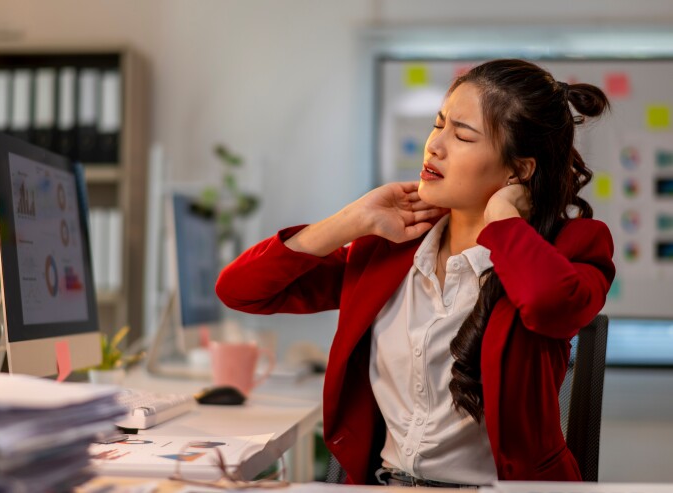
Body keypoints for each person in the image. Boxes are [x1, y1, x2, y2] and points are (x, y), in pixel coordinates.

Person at [215, 59, 615, 487]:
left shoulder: (573, 246)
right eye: (438, 125)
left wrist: (503, 222)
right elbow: (240, 291)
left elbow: (547, 303)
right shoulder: (391, 247)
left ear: (518, 170)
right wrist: (350, 220)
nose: (435, 146)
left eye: (462, 135)